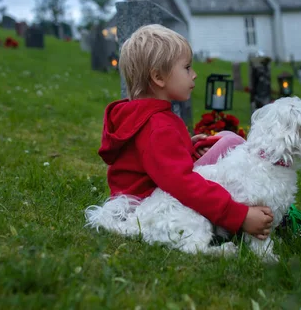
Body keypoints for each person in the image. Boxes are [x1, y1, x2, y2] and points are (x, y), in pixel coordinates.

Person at [97, 24, 273, 240]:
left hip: (144, 198)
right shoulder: (159, 127)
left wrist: (187, 147)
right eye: (187, 68)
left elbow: (153, 162)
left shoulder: (145, 117)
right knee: (232, 143)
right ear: (159, 77)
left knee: (226, 138)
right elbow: (182, 183)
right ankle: (262, 213)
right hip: (150, 206)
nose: (195, 74)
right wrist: (239, 216)